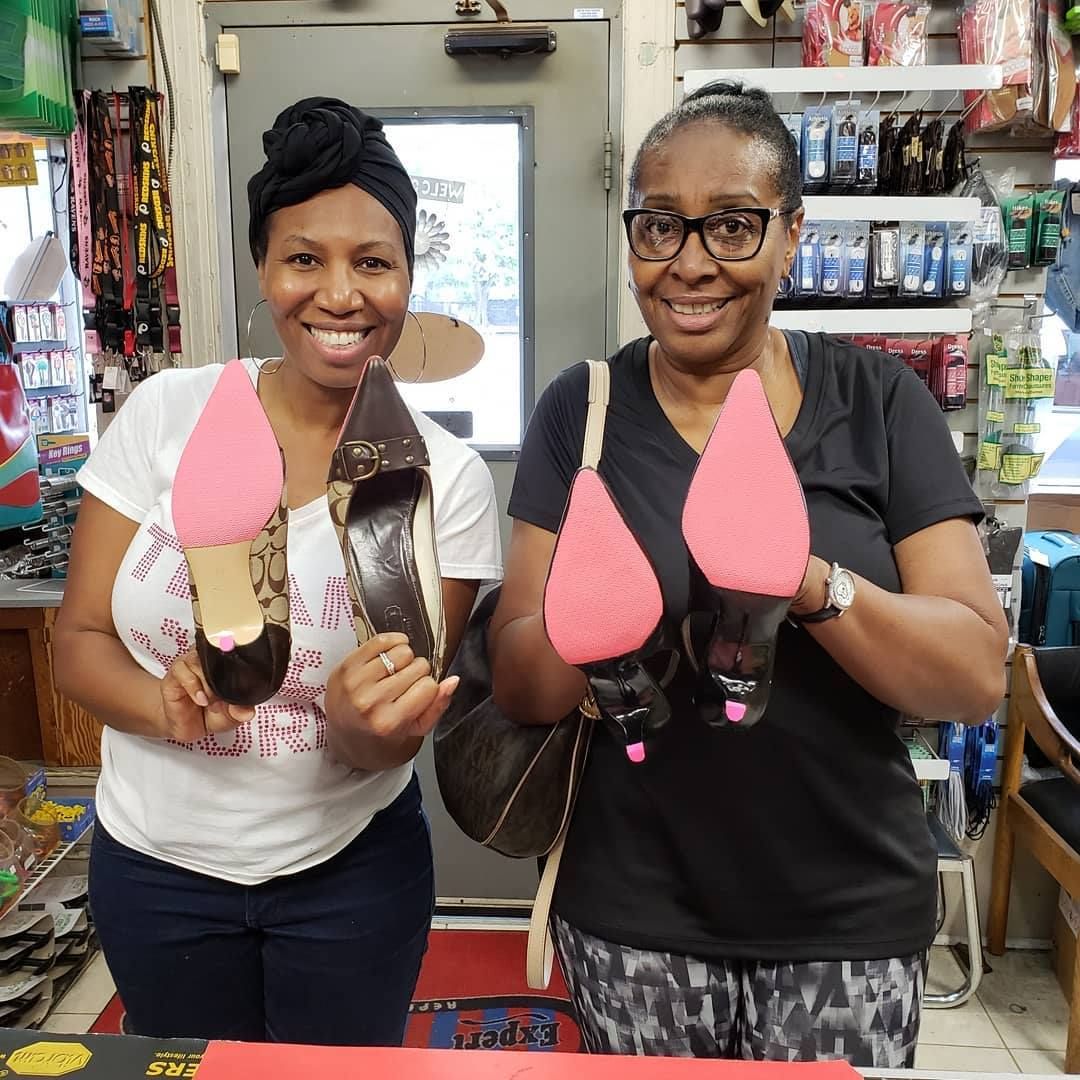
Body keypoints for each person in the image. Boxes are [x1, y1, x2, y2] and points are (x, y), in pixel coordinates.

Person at [489, 81, 1008, 1065]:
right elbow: (519, 682)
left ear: (791, 234)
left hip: (846, 921)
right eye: (658, 226)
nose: (689, 263)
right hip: (634, 915)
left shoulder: (877, 401)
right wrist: (589, 620)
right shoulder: (583, 410)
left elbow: (974, 673)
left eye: (732, 225)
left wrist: (808, 581)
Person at [54, 98, 502, 1046]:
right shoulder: (167, 415)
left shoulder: (440, 479)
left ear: (407, 278)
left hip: (349, 874)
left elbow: (394, 738)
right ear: (264, 270)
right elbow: (79, 646)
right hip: (154, 872)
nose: (340, 294)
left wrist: (361, 724)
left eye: (372, 262)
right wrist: (161, 704)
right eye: (305, 258)